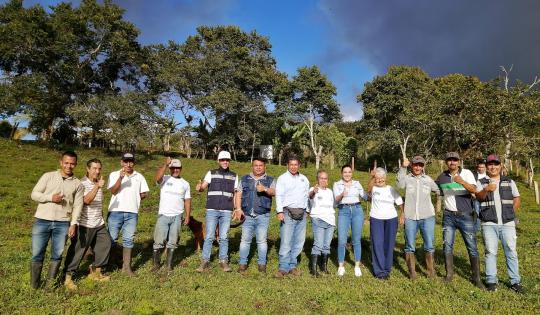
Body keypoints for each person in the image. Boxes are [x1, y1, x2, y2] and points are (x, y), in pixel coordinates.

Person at [30, 151, 84, 289]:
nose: (69, 166)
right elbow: (34, 194)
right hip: (42, 220)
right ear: (61, 162)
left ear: (76, 165)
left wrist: (73, 224)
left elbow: (78, 205)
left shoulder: (78, 184)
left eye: (72, 163)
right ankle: (34, 286)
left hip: (62, 223)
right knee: (37, 254)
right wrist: (50, 198)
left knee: (57, 254)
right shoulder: (48, 176)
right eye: (66, 163)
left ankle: (50, 285)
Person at [435, 152, 484, 289]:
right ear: (446, 162)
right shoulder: (442, 177)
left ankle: (476, 278)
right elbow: (433, 187)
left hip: (465, 215)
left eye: (455, 160)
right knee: (447, 245)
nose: (452, 162)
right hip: (448, 216)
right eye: (449, 160)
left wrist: (461, 181)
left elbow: (474, 190)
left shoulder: (467, 173)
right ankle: (449, 275)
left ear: (459, 161)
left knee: (472, 247)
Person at [475, 154, 523, 293]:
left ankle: (515, 282)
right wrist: (486, 189)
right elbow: (479, 198)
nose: (493, 167)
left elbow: (517, 197)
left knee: (511, 252)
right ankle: (491, 281)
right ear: (486, 166)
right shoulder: (482, 182)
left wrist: (511, 212)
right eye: (490, 164)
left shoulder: (509, 181)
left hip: (508, 223)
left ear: (500, 165)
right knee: (490, 252)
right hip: (489, 224)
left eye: (496, 164)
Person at [63, 158, 112, 291]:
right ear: (88, 169)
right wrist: (97, 186)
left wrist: (101, 217)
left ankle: (95, 273)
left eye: (99, 168)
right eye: (94, 168)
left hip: (98, 223)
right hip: (84, 224)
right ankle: (67, 277)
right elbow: (86, 201)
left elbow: (98, 204)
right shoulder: (82, 183)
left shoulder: (97, 182)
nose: (97, 171)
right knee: (78, 251)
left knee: (105, 244)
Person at [397, 156, 440, 280]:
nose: (417, 167)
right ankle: (412, 273)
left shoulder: (428, 179)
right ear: (412, 166)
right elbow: (399, 185)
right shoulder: (407, 178)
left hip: (427, 216)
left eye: (420, 165)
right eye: (415, 165)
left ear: (423, 166)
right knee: (410, 245)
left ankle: (431, 272)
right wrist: (403, 168)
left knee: (429, 244)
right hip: (410, 216)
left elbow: (438, 190)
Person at [195, 151, 239, 273]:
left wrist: (236, 209)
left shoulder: (234, 176)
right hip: (212, 209)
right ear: (218, 161)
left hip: (226, 210)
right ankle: (205, 261)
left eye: (227, 160)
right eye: (222, 160)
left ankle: (223, 261)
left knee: (224, 237)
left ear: (229, 161)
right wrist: (199, 187)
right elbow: (203, 187)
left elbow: (235, 193)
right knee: (209, 236)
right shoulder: (211, 173)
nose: (225, 162)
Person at [107, 152, 149, 276]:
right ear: (121, 162)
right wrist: (121, 178)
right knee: (112, 239)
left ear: (133, 163)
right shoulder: (114, 174)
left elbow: (143, 193)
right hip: (115, 211)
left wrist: (137, 197)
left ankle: (127, 268)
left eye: (131, 161)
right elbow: (113, 191)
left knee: (129, 240)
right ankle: (110, 263)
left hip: (132, 213)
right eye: (126, 161)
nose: (128, 164)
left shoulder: (139, 176)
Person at [234, 158, 276, 274]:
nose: (258, 167)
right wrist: (238, 209)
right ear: (252, 167)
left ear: (264, 167)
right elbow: (238, 194)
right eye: (256, 165)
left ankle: (262, 264)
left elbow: (275, 192)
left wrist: (265, 189)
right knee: (245, 240)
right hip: (247, 215)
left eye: (260, 165)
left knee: (262, 241)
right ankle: (242, 264)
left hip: (263, 215)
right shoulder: (244, 179)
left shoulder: (270, 179)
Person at [152, 157, 191, 273]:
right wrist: (165, 164)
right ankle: (156, 265)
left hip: (177, 216)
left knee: (173, 242)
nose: (175, 170)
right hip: (163, 215)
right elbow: (157, 178)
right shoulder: (165, 179)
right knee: (159, 240)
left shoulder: (185, 184)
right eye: (173, 168)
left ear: (181, 169)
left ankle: (168, 265)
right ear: (170, 168)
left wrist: (188, 215)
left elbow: (187, 200)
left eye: (177, 168)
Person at [274, 156, 310, 278]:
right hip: (287, 213)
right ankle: (283, 267)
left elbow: (307, 196)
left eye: (296, 164)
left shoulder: (304, 179)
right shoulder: (282, 179)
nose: (293, 167)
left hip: (302, 213)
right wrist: (279, 211)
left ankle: (292, 265)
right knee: (286, 240)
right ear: (287, 165)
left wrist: (307, 211)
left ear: (299, 165)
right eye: (291, 164)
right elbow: (279, 196)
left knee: (299, 241)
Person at [333, 165, 369, 277]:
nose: (347, 174)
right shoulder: (337, 184)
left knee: (356, 240)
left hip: (357, 210)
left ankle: (357, 266)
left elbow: (365, 196)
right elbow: (336, 200)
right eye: (345, 172)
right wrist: (342, 194)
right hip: (343, 210)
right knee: (342, 240)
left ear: (352, 173)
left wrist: (372, 188)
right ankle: (341, 266)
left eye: (349, 172)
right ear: (341, 173)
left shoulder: (357, 183)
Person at [368, 167, 404, 280]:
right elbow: (368, 189)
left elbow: (400, 202)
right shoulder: (373, 189)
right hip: (376, 218)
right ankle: (379, 272)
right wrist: (373, 177)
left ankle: (387, 269)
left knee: (389, 244)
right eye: (378, 178)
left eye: (382, 178)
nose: (380, 180)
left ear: (385, 178)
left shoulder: (391, 189)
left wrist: (403, 214)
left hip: (391, 219)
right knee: (377, 244)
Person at [308, 170, 335, 277]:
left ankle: (324, 267)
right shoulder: (313, 189)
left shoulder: (330, 191)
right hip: (318, 219)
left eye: (325, 178)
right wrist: (314, 191)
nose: (323, 180)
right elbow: (310, 196)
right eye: (321, 178)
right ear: (317, 179)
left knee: (326, 246)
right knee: (318, 244)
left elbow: (333, 205)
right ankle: (313, 270)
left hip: (330, 221)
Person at [472, 160, 487, 232]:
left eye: (482, 167)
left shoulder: (488, 175)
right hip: (476, 197)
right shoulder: (473, 175)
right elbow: (471, 185)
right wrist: (473, 194)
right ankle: (477, 228)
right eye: (479, 167)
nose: (481, 169)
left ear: (485, 168)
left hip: (486, 197)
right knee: (477, 212)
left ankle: (486, 227)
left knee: (487, 212)